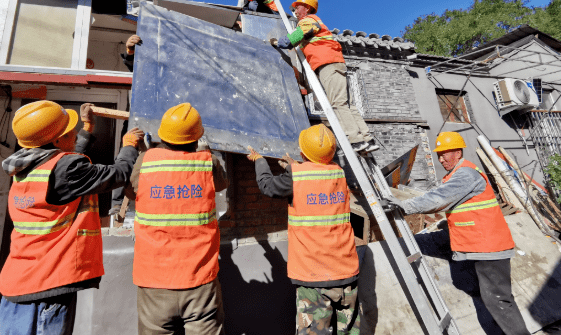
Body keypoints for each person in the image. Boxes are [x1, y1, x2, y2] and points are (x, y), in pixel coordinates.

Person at [0, 100, 144, 335]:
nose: (73, 133)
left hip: (18, 282)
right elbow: (119, 174)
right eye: (69, 131)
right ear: (56, 140)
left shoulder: (25, 167)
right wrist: (129, 146)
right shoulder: (66, 169)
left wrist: (87, 129)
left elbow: (62, 166)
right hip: (49, 285)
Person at [380, 131, 529, 335]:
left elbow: (438, 199)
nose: (441, 159)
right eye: (439, 155)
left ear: (458, 152)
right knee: (423, 242)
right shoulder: (456, 174)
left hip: (488, 248)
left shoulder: (467, 174)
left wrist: (403, 206)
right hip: (470, 242)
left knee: (498, 300)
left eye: (445, 154)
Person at [247, 124, 361, 335]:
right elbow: (315, 177)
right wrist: (294, 165)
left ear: (302, 152)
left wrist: (260, 161)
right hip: (346, 274)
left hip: (314, 277)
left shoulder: (296, 176)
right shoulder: (338, 172)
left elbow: (267, 186)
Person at [125, 102, 228, 335]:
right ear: (197, 137)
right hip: (200, 279)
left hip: (154, 279)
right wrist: (208, 151)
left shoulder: (146, 161)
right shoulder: (207, 162)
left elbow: (131, 191)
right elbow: (221, 184)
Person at [271, 0, 378, 153]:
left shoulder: (308, 21)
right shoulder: (315, 22)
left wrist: (279, 42)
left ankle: (355, 141)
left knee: (337, 103)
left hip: (327, 64)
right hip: (336, 63)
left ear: (306, 8)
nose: (295, 10)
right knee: (347, 104)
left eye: (297, 7)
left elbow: (295, 37)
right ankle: (366, 138)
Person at [109, 33, 144, 218]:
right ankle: (117, 204)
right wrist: (130, 51)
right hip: (138, 120)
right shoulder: (147, 74)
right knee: (127, 154)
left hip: (163, 125)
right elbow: (138, 69)